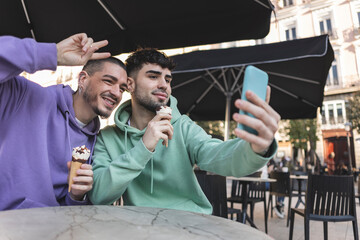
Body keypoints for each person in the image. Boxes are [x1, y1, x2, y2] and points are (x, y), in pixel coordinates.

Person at [89, 48, 280, 214]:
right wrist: (144, 147)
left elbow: (218, 155)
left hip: (190, 223)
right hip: (141, 227)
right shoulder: (107, 138)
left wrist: (256, 148)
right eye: (153, 76)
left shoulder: (183, 126)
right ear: (130, 84)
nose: (164, 84)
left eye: (168, 79)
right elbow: (99, 195)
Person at [0, 33, 128, 210]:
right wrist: (53, 54)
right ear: (83, 79)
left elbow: (68, 209)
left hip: (53, 230)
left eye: (122, 88)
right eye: (109, 81)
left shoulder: (96, 144)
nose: (117, 93)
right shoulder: (26, 96)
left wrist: (76, 196)